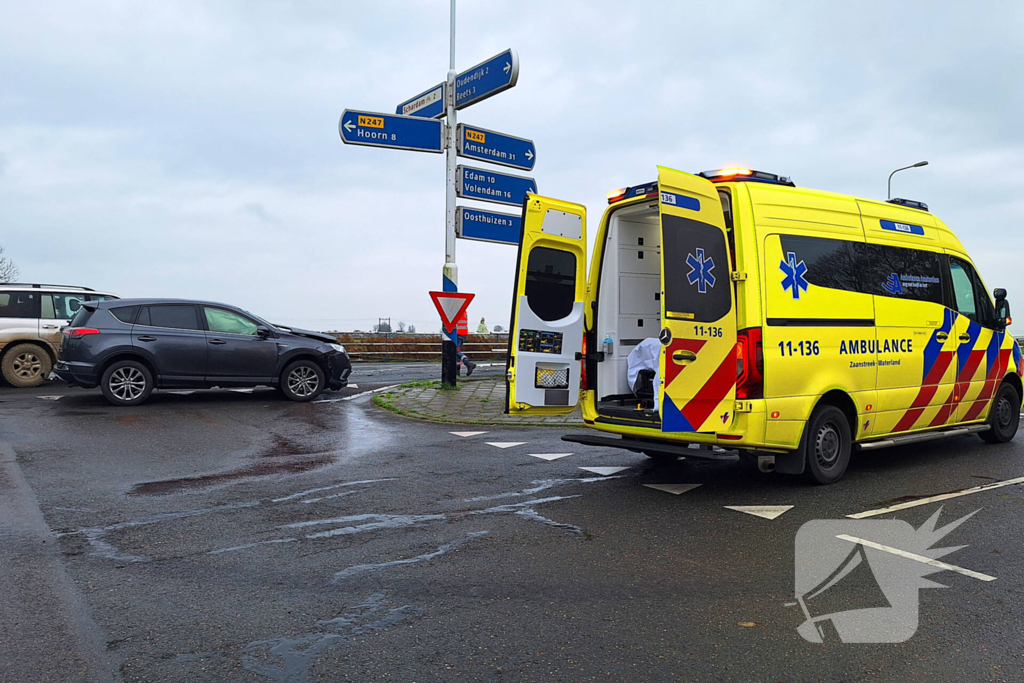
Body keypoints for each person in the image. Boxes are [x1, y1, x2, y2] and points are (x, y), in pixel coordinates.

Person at [455, 310, 476, 376]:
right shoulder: (464, 311)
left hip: (458, 333)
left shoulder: (457, 310)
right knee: (457, 353)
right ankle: (457, 371)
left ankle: (467, 362)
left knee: (455, 351)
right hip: (463, 333)